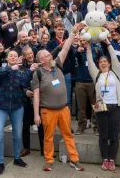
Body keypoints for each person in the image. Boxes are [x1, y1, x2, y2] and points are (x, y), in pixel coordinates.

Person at [33, 23, 84, 172]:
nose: (50, 55)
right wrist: (36, 114)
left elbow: (66, 47)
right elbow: (36, 95)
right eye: (46, 55)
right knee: (48, 137)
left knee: (68, 134)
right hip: (47, 111)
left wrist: (74, 32)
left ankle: (74, 159)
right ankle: (49, 160)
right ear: (42, 60)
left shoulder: (58, 64)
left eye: (49, 54)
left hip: (64, 109)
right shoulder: (38, 73)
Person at [0, 50, 35, 174]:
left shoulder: (20, 72)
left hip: (17, 107)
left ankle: (17, 158)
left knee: (17, 134)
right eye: (10, 55)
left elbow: (25, 82)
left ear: (18, 58)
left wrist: (31, 70)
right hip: (0, 106)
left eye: (15, 56)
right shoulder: (0, 69)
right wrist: (11, 68)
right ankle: (0, 162)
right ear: (7, 58)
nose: (13, 57)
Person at [86, 37, 120, 172]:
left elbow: (114, 57)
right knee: (103, 135)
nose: (103, 63)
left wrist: (108, 43)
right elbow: (90, 62)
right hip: (102, 108)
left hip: (116, 107)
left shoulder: (116, 72)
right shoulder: (97, 75)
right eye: (100, 62)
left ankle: (112, 159)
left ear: (109, 63)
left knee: (114, 135)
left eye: (105, 61)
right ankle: (104, 159)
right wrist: (88, 47)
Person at [74, 37, 100, 135]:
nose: (83, 42)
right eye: (81, 41)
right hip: (80, 82)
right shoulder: (78, 50)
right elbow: (73, 57)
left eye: (85, 40)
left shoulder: (96, 50)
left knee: (96, 106)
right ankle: (81, 126)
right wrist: (78, 52)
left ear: (89, 40)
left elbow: (102, 60)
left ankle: (96, 127)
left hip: (93, 82)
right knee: (81, 107)